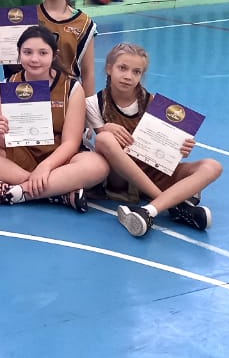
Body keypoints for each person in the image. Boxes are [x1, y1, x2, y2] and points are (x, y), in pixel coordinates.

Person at [0, 26, 109, 210]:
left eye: (43, 53)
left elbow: (71, 143)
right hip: (21, 156)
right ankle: (58, 191)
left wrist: (46, 166)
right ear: (19, 53)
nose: (34, 59)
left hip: (58, 159)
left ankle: (16, 192)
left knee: (98, 165)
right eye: (27, 52)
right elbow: (1, 142)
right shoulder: (9, 84)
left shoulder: (71, 87)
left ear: (54, 55)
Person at [88, 43, 222, 237]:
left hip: (155, 170)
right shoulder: (94, 103)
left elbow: (171, 150)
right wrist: (105, 128)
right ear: (109, 68)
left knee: (213, 166)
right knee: (104, 139)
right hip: (122, 179)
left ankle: (149, 210)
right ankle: (174, 206)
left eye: (136, 72)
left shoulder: (154, 103)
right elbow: (103, 146)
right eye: (122, 68)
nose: (128, 76)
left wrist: (182, 148)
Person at [0, 0, 98, 92]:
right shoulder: (27, 18)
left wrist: (88, 104)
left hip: (67, 93)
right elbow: (16, 66)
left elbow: (88, 73)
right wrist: (1, 39)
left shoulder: (84, 23)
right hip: (32, 93)